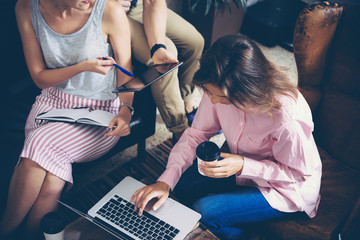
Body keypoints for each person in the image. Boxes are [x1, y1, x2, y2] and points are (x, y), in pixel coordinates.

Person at [130, 35, 322, 239]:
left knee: (204, 211)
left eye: (220, 97)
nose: (211, 101)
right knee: (182, 183)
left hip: (286, 187)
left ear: (246, 91)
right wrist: (165, 182)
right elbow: (196, 134)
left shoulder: (286, 118)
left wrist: (243, 165)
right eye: (209, 93)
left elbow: (299, 174)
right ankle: (235, 217)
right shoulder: (216, 86)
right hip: (241, 167)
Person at [0, 0, 134, 239]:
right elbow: (40, 78)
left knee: (40, 144)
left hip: (100, 112)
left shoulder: (109, 11)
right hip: (51, 103)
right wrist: (82, 67)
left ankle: (6, 230)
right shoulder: (26, 8)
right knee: (53, 178)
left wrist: (125, 111)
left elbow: (126, 74)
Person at [117, 0, 204, 142]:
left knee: (195, 42)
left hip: (137, 4)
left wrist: (157, 47)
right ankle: (180, 132)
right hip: (108, 11)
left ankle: (186, 105)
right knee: (167, 57)